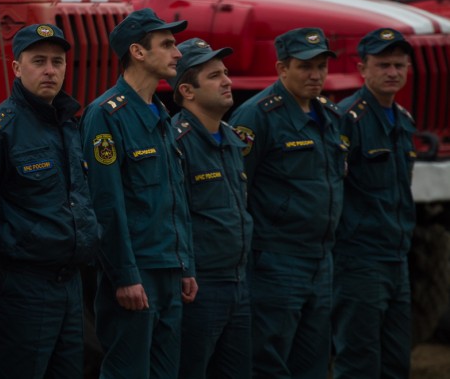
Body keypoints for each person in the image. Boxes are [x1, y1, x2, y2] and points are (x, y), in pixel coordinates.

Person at [79, 8, 197, 378]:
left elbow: (175, 198)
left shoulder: (159, 113)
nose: (177, 53)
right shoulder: (106, 114)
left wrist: (185, 264)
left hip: (167, 270)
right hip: (137, 274)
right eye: (167, 44)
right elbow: (107, 205)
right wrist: (125, 275)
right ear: (138, 52)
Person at [0, 23, 99, 379]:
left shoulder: (67, 124)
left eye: (57, 62)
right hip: (22, 287)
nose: (50, 70)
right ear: (17, 67)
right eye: (39, 61)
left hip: (69, 284)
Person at [229, 27, 346, 379]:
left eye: (322, 66)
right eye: (305, 67)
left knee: (312, 363)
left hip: (321, 260)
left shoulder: (329, 118)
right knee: (268, 361)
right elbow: (236, 189)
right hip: (276, 262)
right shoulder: (257, 116)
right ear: (282, 69)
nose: (316, 75)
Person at [332, 28, 416, 378]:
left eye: (399, 65)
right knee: (359, 360)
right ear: (362, 68)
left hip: (397, 257)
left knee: (397, 360)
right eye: (383, 65)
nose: (393, 73)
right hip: (359, 260)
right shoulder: (346, 120)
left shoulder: (405, 121)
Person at [168, 38, 254, 379]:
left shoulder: (232, 140)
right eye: (215, 75)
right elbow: (175, 215)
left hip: (238, 282)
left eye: (226, 73)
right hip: (199, 288)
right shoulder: (176, 142)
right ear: (187, 90)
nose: (228, 81)